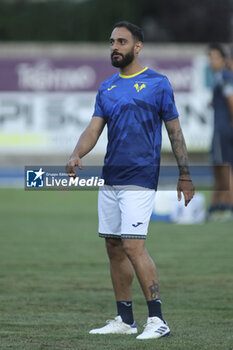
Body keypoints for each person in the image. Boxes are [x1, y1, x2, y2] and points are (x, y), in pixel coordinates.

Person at [66, 21, 195, 340]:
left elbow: (174, 131)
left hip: (141, 176)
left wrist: (185, 174)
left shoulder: (158, 83)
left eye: (122, 41)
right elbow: (93, 129)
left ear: (137, 47)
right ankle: (125, 319)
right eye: (112, 41)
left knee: (134, 247)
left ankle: (158, 320)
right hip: (111, 178)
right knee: (113, 246)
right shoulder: (107, 88)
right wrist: (76, 153)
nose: (115, 46)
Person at [207, 44, 233, 221]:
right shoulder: (221, 77)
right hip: (224, 128)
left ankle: (228, 207)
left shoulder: (224, 76)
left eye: (214, 57)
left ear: (223, 60)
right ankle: (213, 209)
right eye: (210, 57)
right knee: (220, 168)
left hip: (222, 129)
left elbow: (231, 100)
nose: (211, 61)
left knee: (223, 169)